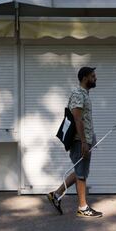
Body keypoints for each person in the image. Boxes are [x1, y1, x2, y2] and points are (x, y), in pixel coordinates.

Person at [47, 66, 103, 218]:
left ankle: (56, 194)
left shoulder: (84, 94)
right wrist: (84, 142)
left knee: (80, 171)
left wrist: (91, 139)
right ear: (85, 78)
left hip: (85, 140)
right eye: (93, 76)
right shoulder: (78, 94)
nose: (95, 78)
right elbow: (77, 119)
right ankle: (83, 208)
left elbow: (84, 119)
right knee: (81, 175)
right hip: (80, 141)